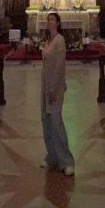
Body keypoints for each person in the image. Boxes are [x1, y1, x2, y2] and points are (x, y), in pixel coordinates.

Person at [40, 12, 74, 176]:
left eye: (52, 19)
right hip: (45, 85)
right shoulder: (49, 40)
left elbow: (60, 66)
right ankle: (52, 156)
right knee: (46, 120)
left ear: (58, 23)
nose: (49, 21)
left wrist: (53, 88)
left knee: (55, 121)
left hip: (55, 87)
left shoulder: (60, 40)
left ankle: (67, 161)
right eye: (48, 19)